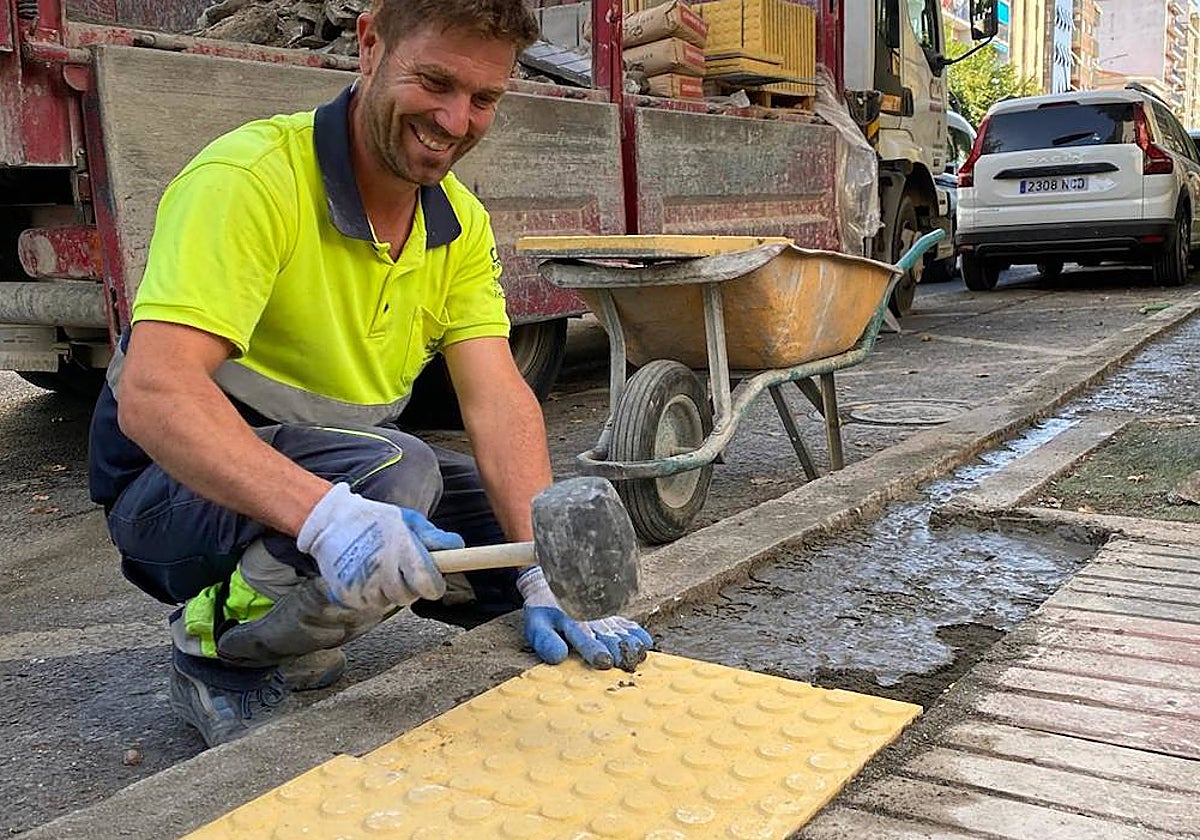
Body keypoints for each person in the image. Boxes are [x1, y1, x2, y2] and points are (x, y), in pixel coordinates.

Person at [87, 0, 652, 749]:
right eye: (435, 83)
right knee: (399, 473)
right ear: (369, 44)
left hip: (334, 463)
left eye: (483, 99)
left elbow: (498, 398)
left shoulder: (456, 221)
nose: (455, 121)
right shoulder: (251, 180)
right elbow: (158, 396)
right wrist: (328, 519)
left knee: (506, 520)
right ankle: (214, 648)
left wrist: (547, 568)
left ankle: (306, 609)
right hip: (170, 496)